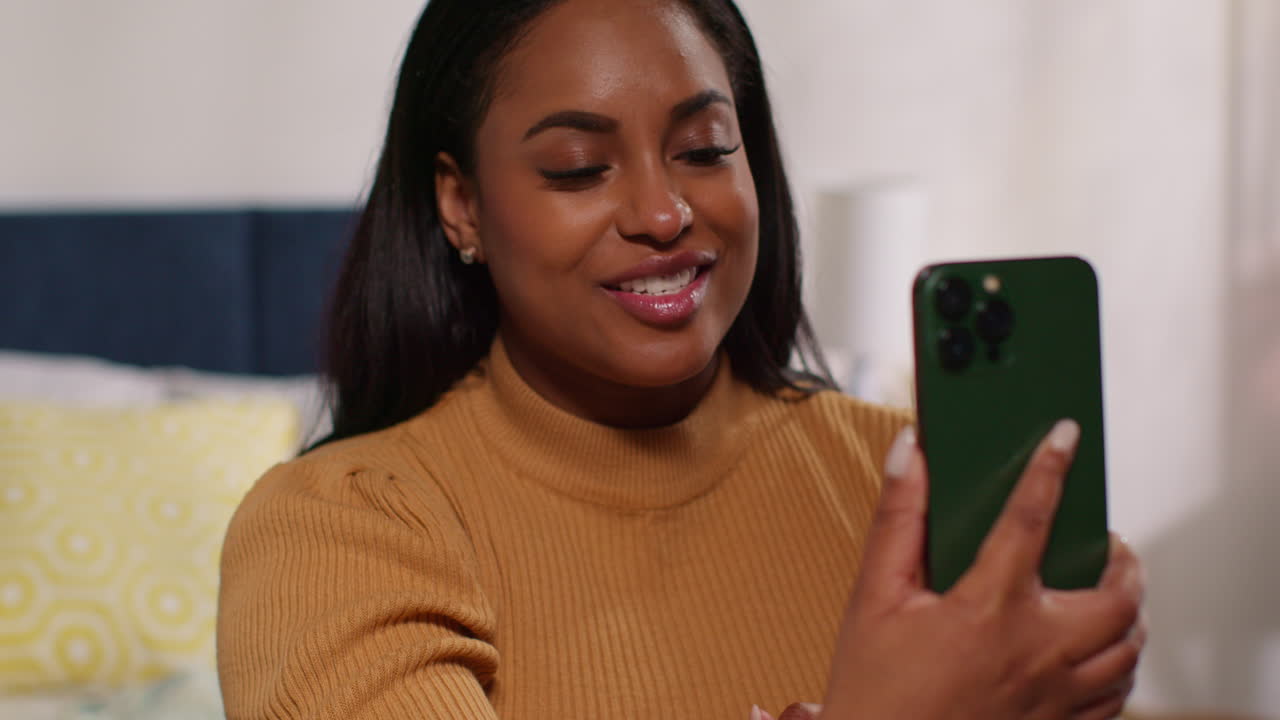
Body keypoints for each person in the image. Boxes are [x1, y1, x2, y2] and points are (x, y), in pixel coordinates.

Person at [216, 0, 1146, 718]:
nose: (664, 214)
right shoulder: (341, 531)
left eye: (704, 149)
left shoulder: (910, 478)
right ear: (462, 207)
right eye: (579, 167)